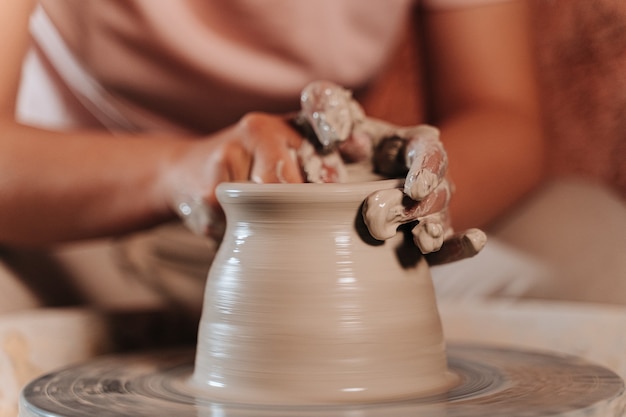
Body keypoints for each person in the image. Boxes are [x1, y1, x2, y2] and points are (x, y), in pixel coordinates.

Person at [0, 0, 544, 311]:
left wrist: (402, 196)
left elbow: (500, 112)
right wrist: (182, 171)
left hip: (341, 213)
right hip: (90, 220)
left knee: (594, 256)